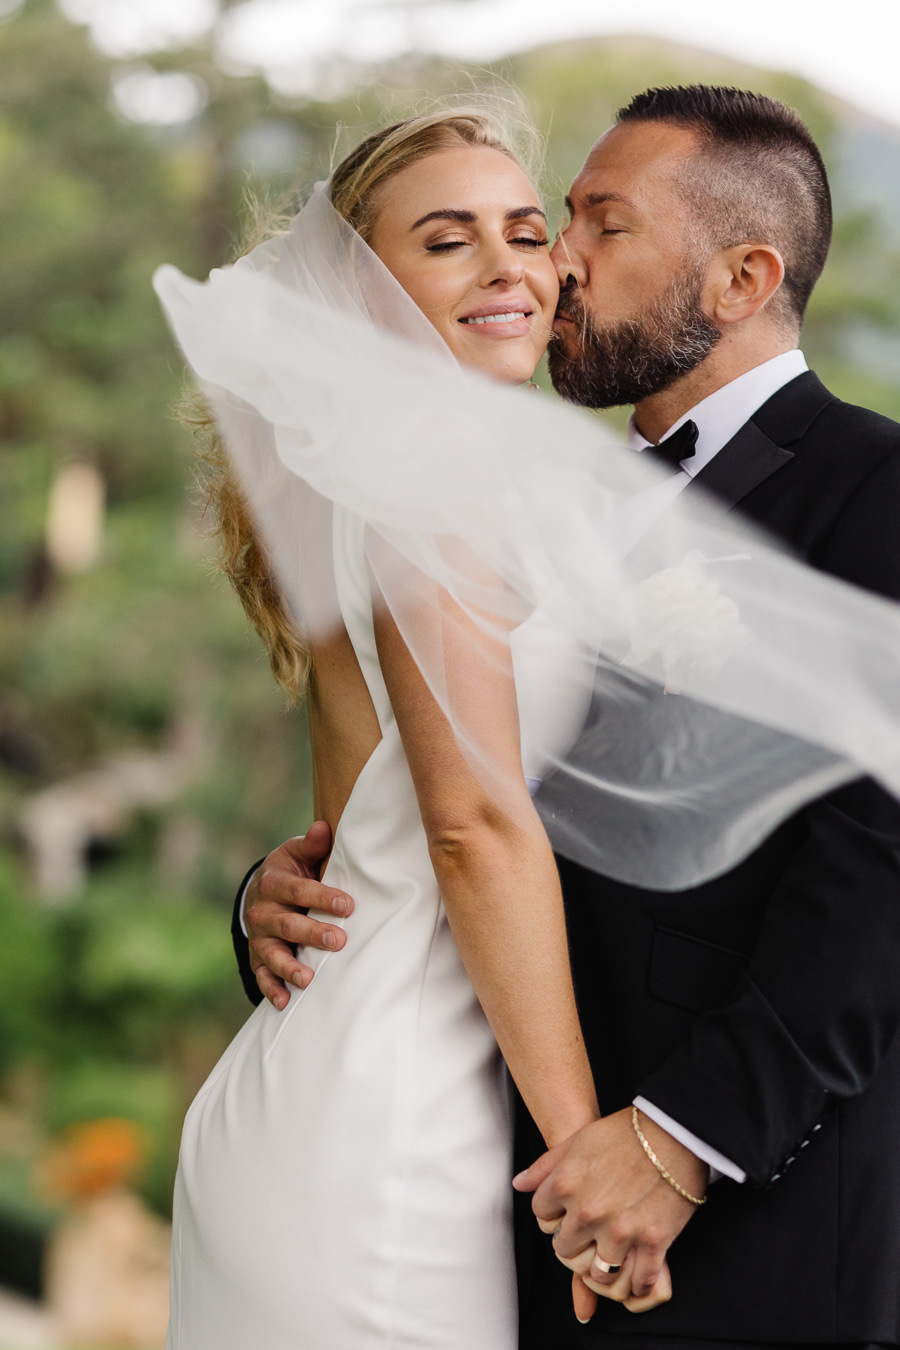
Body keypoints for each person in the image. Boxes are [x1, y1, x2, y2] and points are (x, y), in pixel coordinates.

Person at [232, 86, 900, 1349]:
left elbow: (884, 864)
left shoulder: (875, 491)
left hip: (746, 1220)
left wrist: (682, 1140)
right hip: (501, 1181)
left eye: (596, 225)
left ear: (739, 277)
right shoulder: (523, 496)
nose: (556, 264)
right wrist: (280, 904)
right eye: (557, 226)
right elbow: (429, 801)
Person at [155, 108, 612, 1350]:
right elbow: (468, 829)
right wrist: (584, 1167)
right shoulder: (430, 481)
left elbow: (349, 835)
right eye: (447, 242)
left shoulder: (412, 474)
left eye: (526, 232)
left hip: (352, 1086)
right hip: (386, 1133)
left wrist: (268, 888)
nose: (506, 265)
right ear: (364, 296)